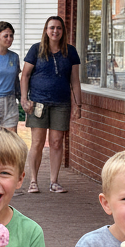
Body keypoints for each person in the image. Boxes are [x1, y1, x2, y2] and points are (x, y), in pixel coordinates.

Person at [20, 16, 82, 194]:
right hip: (38, 103)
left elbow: (75, 81)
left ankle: (54, 181)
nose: (55, 31)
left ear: (63, 31)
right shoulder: (36, 49)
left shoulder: (70, 52)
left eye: (59, 28)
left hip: (61, 104)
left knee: (56, 142)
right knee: (37, 143)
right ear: (46, 30)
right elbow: (25, 76)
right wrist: (24, 99)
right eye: (52, 27)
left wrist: (78, 105)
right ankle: (33, 181)